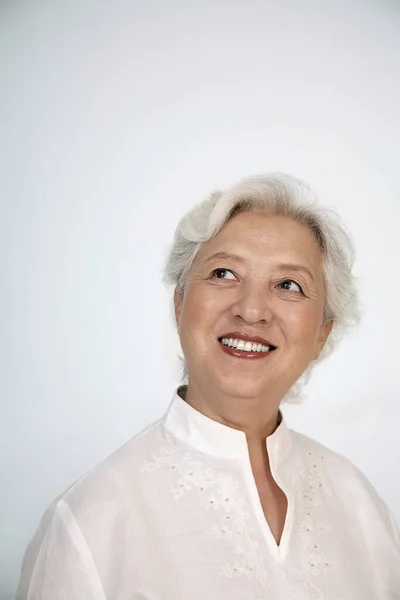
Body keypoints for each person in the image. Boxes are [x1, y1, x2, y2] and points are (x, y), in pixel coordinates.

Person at [17, 174, 400, 599]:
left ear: (322, 332)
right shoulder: (91, 522)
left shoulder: (360, 506)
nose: (252, 310)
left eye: (288, 285)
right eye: (224, 273)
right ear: (180, 303)